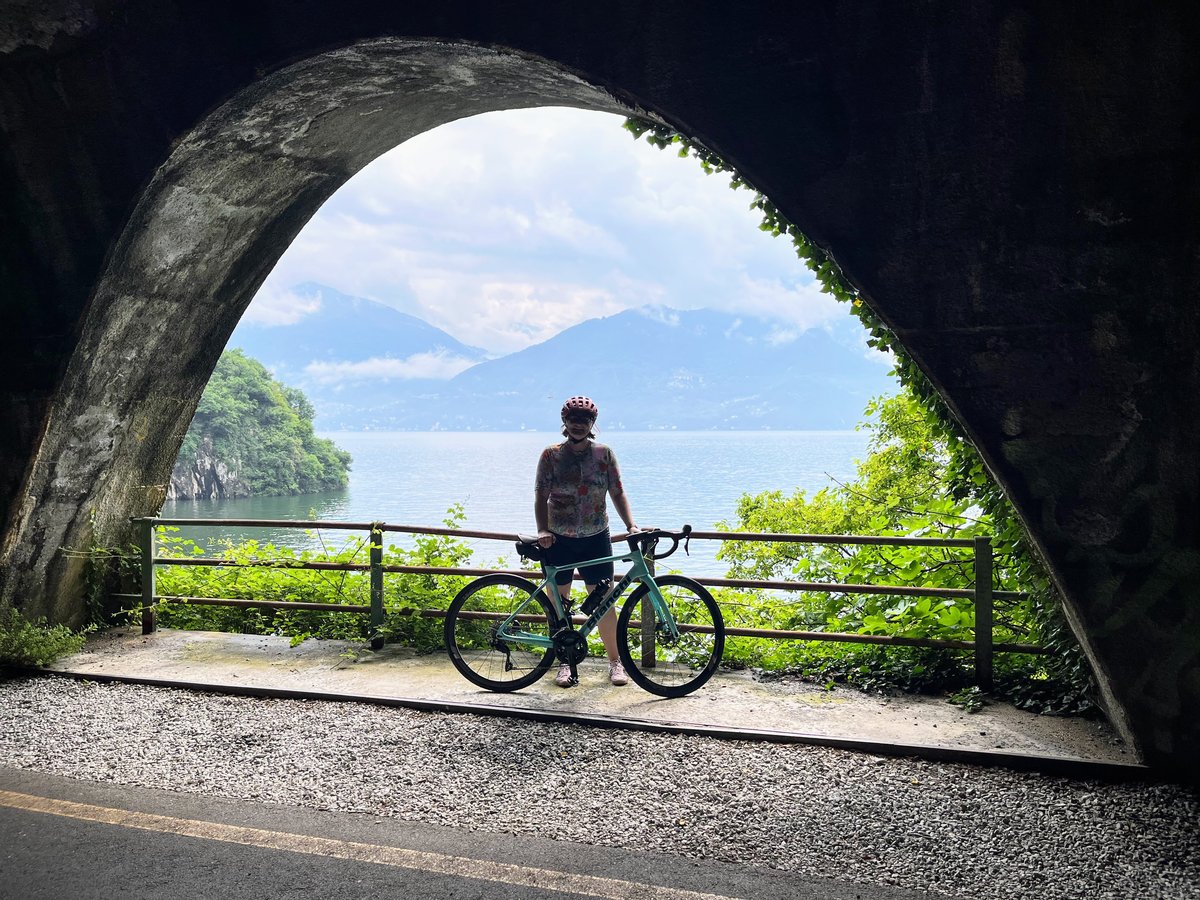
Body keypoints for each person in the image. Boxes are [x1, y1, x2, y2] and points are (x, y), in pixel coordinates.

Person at [535, 395, 639, 687]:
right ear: (564, 423)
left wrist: (631, 525)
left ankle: (616, 663)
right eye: (573, 420)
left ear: (593, 424)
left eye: (585, 420)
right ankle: (564, 663)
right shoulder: (550, 455)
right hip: (558, 540)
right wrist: (542, 530)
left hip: (596, 537)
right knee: (559, 602)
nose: (578, 425)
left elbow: (617, 492)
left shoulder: (603, 454)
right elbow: (540, 496)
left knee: (605, 603)